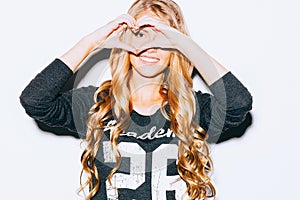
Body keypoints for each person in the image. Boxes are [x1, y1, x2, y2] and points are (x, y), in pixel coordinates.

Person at [19, 0, 253, 199]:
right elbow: (35, 100)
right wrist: (93, 41)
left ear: (175, 49)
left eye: (160, 37)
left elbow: (239, 103)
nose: (150, 47)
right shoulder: (97, 104)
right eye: (141, 36)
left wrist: (185, 44)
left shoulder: (190, 107)